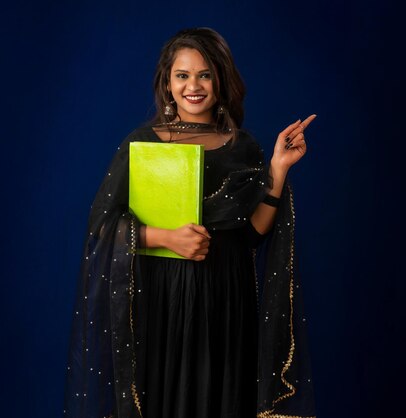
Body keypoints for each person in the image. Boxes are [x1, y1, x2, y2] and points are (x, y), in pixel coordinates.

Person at [64, 27, 316, 418]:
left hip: (227, 302)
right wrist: (167, 238)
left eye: (204, 74)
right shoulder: (143, 144)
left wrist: (278, 170)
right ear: (167, 83)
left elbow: (250, 235)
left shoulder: (243, 147)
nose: (193, 86)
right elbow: (102, 229)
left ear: (220, 79)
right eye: (182, 75)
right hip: (164, 302)